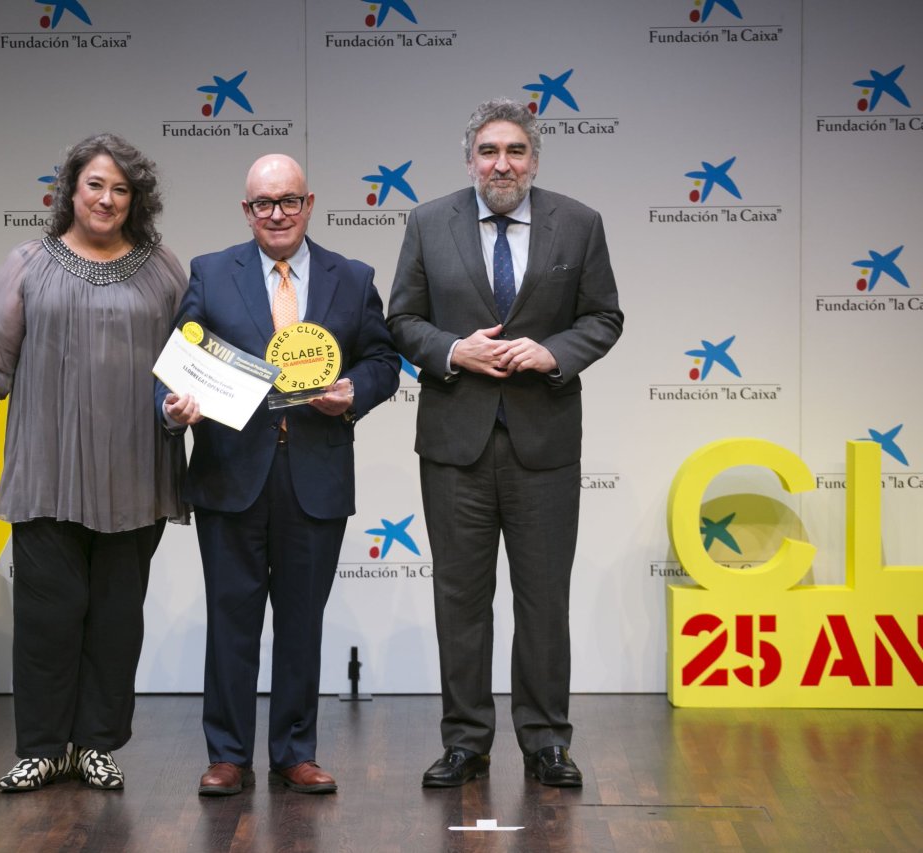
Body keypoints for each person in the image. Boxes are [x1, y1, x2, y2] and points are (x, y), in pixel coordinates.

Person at [387, 99, 623, 788]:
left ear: (534, 160)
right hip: (454, 444)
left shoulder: (578, 223)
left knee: (544, 600)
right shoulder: (427, 222)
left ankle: (548, 742)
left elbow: (604, 316)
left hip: (543, 443)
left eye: (515, 151)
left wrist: (553, 354)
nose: (502, 164)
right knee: (460, 599)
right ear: (470, 161)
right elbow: (401, 319)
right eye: (489, 151)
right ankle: (465, 742)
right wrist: (452, 349)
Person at [160, 154, 399, 796]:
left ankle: (296, 752)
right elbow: (178, 361)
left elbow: (383, 360)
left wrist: (354, 391)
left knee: (301, 624)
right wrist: (174, 408)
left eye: (289, 200)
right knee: (230, 621)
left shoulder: (353, 277)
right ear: (247, 210)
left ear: (309, 204)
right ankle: (227, 756)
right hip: (230, 476)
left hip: (315, 479)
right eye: (263, 203)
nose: (277, 214)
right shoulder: (211, 273)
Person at [0, 133, 188, 793]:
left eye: (121, 189)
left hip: (135, 474)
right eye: (95, 185)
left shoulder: (164, 269)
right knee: (47, 618)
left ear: (136, 199)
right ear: (70, 190)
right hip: (46, 471)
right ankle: (41, 748)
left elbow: (193, 360)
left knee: (115, 620)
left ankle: (95, 746)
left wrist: (190, 402)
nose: (107, 199)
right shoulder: (27, 264)